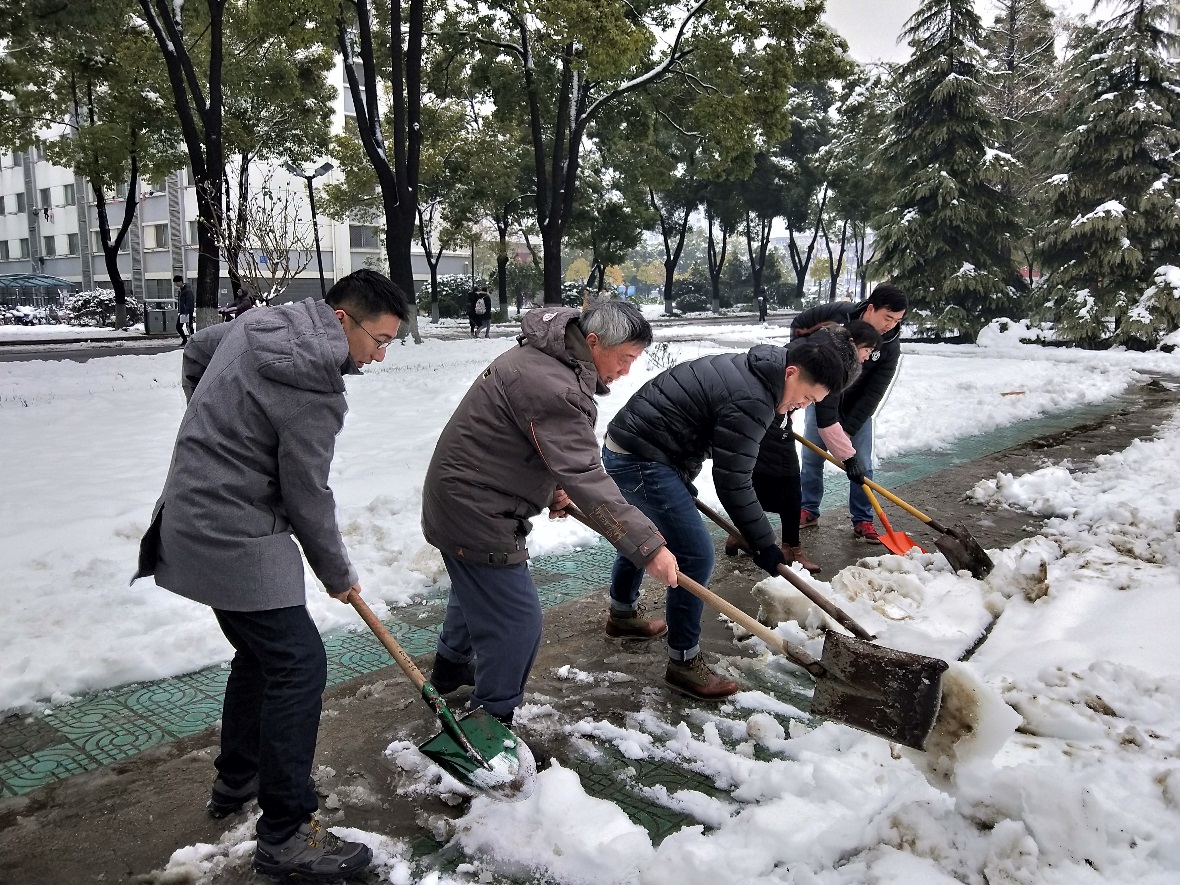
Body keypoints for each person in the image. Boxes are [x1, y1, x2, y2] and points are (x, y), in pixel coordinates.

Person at [134, 269, 409, 881]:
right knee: (298, 665)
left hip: (191, 509)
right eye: (380, 340)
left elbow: (198, 349)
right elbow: (307, 495)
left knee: (262, 657)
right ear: (343, 319)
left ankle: (239, 779)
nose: (380, 355)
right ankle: (285, 837)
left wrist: (215, 433)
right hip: (233, 533)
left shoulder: (264, 323)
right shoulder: (315, 389)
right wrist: (337, 573)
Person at [421, 302, 680, 737]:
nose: (627, 371)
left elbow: (530, 443)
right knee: (516, 626)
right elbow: (585, 473)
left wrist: (552, 488)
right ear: (593, 342)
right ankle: (488, 729)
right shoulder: (553, 384)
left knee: (477, 590)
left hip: (462, 496)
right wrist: (648, 547)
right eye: (625, 358)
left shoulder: (546, 359)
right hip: (476, 509)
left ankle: (449, 669)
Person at [603, 335, 849, 700]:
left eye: (812, 403)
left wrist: (680, 478)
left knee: (649, 531)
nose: (802, 405)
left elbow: (692, 424)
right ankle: (684, 663)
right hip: (640, 456)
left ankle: (622, 615)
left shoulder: (762, 373)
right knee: (695, 555)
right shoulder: (754, 398)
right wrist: (764, 543)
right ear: (792, 372)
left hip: (642, 446)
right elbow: (733, 481)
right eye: (807, 397)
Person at [726, 322, 882, 574]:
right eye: (867, 351)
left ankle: (742, 534)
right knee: (788, 484)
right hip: (768, 414)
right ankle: (789, 549)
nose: (867, 358)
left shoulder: (826, 342)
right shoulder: (832, 363)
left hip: (773, 413)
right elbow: (826, 422)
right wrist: (850, 459)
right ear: (854, 343)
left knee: (762, 477)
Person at [793, 284, 908, 542]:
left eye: (897, 320)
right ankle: (808, 509)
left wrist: (848, 429)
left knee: (861, 464)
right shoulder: (839, 316)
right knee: (812, 457)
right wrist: (804, 362)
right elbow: (800, 324)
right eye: (887, 317)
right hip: (822, 397)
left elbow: (874, 392)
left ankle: (863, 518)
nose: (891, 325)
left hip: (857, 407)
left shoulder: (890, 346)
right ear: (871, 308)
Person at [174, 275, 195, 343]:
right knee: (179, 326)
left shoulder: (187, 291)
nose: (176, 284)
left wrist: (187, 310)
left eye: (177, 282)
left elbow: (190, 301)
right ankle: (186, 339)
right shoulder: (181, 290)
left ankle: (192, 340)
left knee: (189, 326)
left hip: (187, 312)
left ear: (180, 281)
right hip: (183, 312)